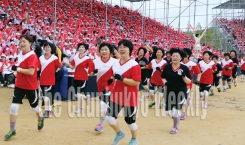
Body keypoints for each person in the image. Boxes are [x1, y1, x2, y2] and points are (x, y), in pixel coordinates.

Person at [4, 35, 44, 140]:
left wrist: (18, 69)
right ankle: (12, 130)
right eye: (21, 41)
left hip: (31, 87)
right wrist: (14, 75)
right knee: (13, 107)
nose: (21, 43)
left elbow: (31, 72)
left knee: (34, 107)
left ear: (30, 43)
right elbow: (19, 69)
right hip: (19, 85)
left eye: (24, 41)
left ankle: (40, 117)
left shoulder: (33, 56)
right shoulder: (20, 54)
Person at [105, 39, 141, 145]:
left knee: (130, 121)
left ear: (130, 50)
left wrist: (121, 78)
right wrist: (112, 79)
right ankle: (119, 133)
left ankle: (134, 139)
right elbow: (113, 75)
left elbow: (136, 83)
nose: (121, 49)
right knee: (109, 118)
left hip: (130, 97)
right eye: (120, 47)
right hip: (116, 96)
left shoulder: (134, 65)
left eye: (124, 47)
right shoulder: (116, 63)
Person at [161, 48, 191, 134]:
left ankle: (175, 127)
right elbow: (162, 77)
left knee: (175, 111)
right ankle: (176, 118)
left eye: (177, 56)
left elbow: (189, 81)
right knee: (168, 112)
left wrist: (184, 77)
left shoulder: (184, 68)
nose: (174, 57)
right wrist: (165, 83)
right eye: (173, 55)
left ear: (181, 58)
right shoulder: (167, 67)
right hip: (169, 91)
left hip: (181, 91)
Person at [92, 42, 116, 132]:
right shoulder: (95, 61)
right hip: (100, 86)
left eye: (106, 49)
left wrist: (113, 78)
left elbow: (118, 73)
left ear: (110, 51)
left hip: (111, 85)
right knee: (106, 104)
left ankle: (100, 124)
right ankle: (111, 117)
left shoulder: (114, 61)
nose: (104, 51)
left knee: (102, 104)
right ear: (99, 51)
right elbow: (90, 73)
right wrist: (93, 72)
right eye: (102, 49)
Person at [66, 43, 94, 114]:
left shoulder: (88, 59)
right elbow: (72, 67)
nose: (81, 48)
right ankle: (86, 97)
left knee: (79, 94)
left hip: (83, 78)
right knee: (76, 94)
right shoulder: (75, 57)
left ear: (85, 49)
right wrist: (68, 64)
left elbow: (91, 68)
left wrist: (88, 71)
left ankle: (80, 108)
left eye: (83, 47)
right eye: (80, 47)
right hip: (76, 77)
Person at [39, 42, 61, 118]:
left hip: (50, 79)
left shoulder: (54, 58)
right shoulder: (41, 58)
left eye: (48, 47)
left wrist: (54, 71)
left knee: (46, 95)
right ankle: (49, 110)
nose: (47, 48)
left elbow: (59, 66)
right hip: (42, 79)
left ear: (51, 49)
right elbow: (38, 68)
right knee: (45, 95)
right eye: (45, 47)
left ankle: (48, 111)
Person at [180, 48, 201, 120]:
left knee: (183, 98)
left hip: (188, 84)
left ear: (188, 55)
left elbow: (198, 73)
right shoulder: (178, 63)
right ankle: (188, 99)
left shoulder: (193, 64)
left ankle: (183, 114)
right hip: (178, 83)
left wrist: (197, 80)